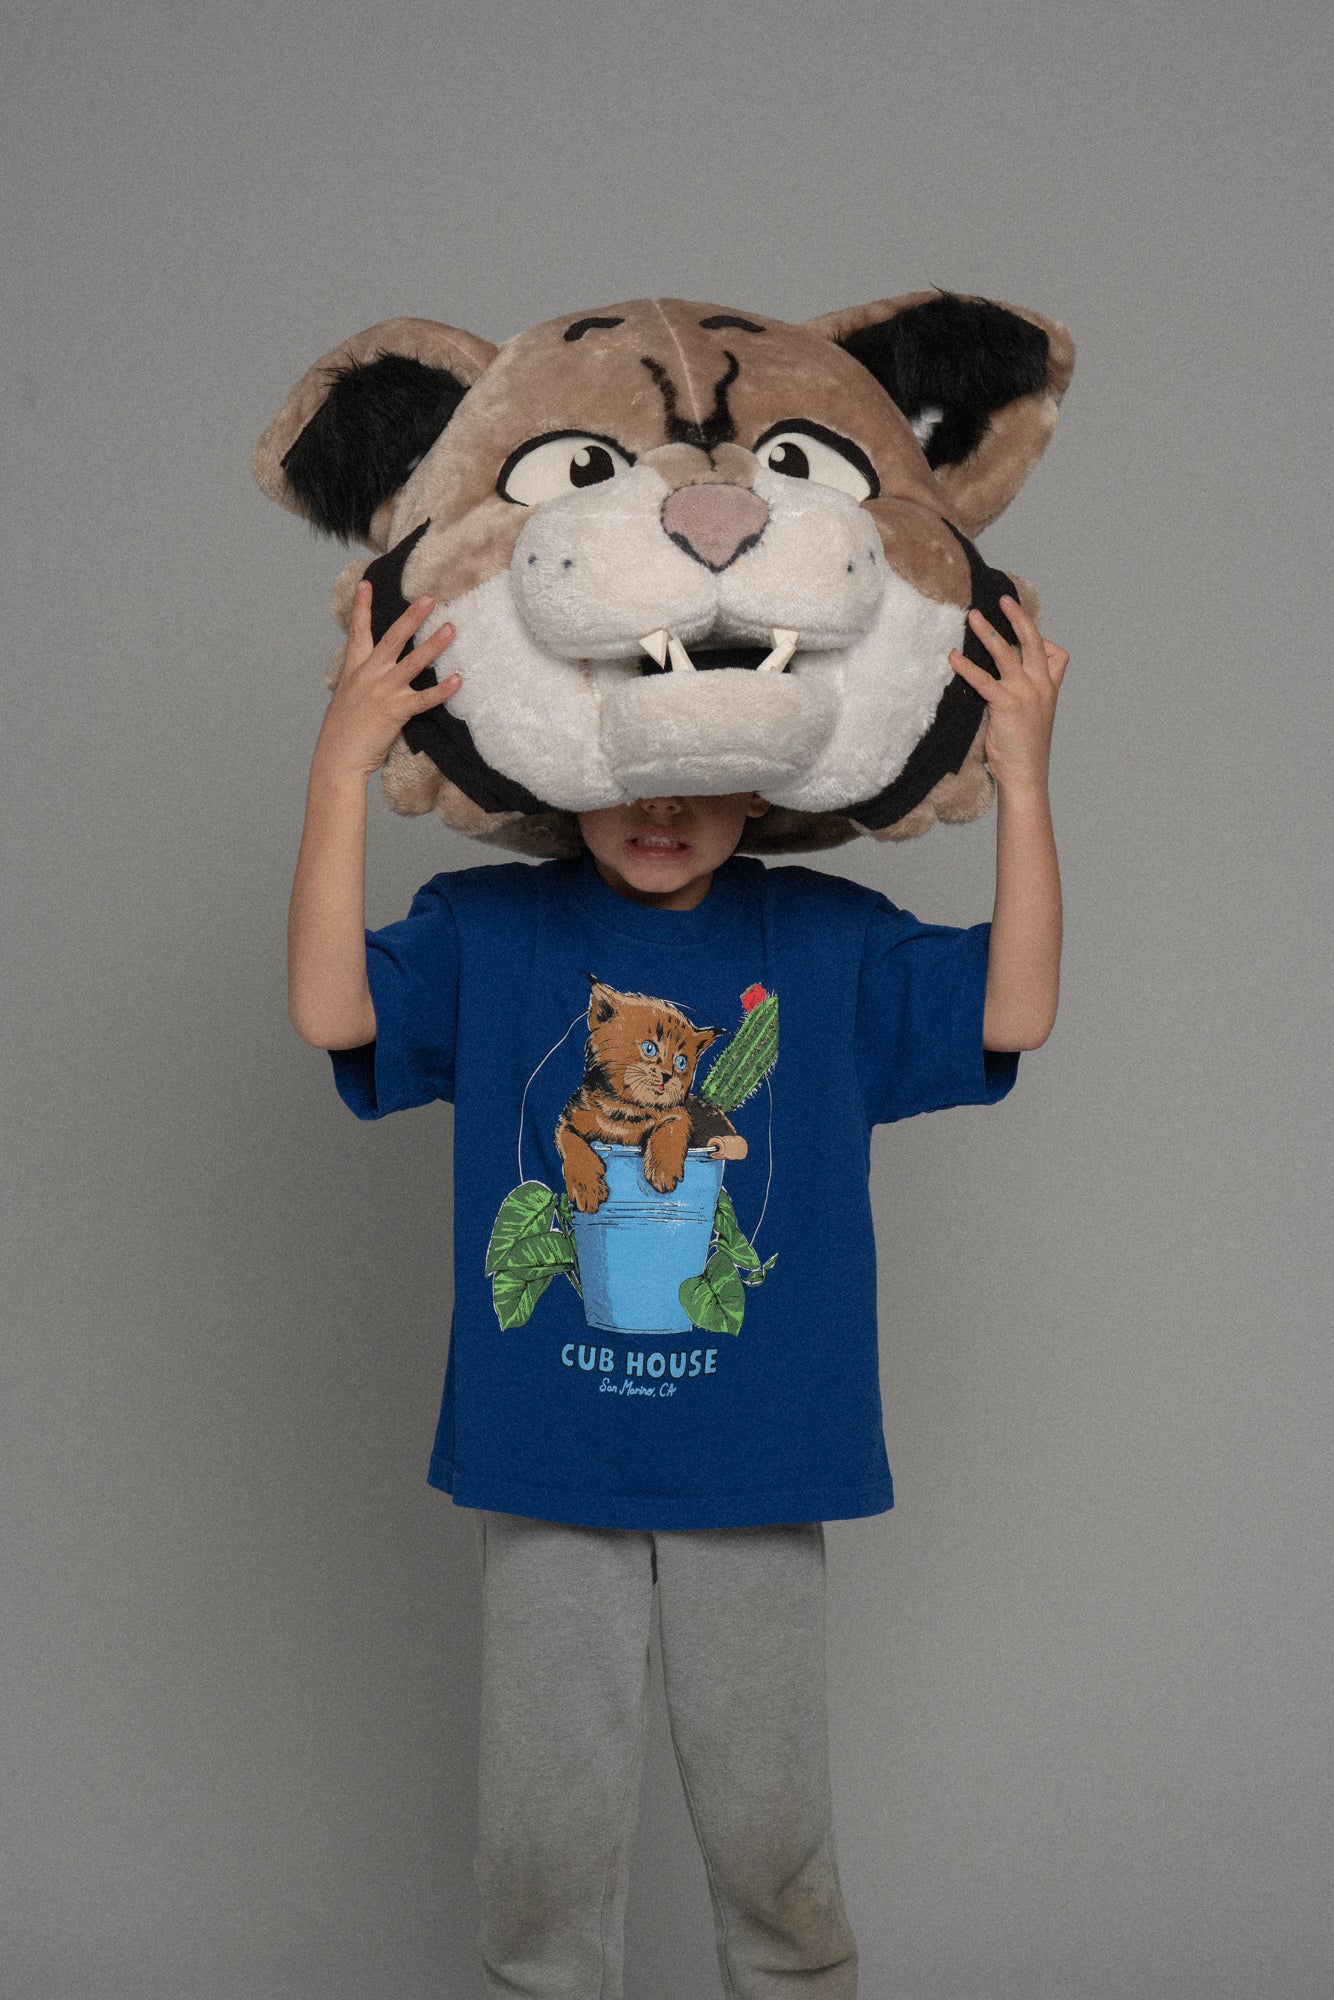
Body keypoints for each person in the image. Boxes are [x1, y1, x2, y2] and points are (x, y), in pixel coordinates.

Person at [287, 578, 1068, 1999]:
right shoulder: (488, 928)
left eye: (708, 769)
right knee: (541, 1861)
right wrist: (340, 767)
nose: (664, 806)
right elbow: (331, 1009)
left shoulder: (826, 941)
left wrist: (1024, 780)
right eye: (636, 761)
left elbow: (1013, 1012)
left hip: (758, 1460)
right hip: (552, 1459)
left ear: (764, 782)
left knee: (775, 1854)